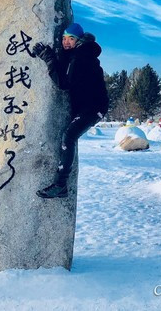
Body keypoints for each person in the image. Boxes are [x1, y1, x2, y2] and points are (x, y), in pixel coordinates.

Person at [32, 23, 109, 198]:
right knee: (69, 136)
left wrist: (48, 57)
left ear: (79, 40)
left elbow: (63, 83)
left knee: (69, 136)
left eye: (71, 38)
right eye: (64, 38)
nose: (66, 42)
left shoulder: (82, 56)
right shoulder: (76, 54)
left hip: (94, 106)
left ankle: (61, 185)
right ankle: (61, 185)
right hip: (86, 106)